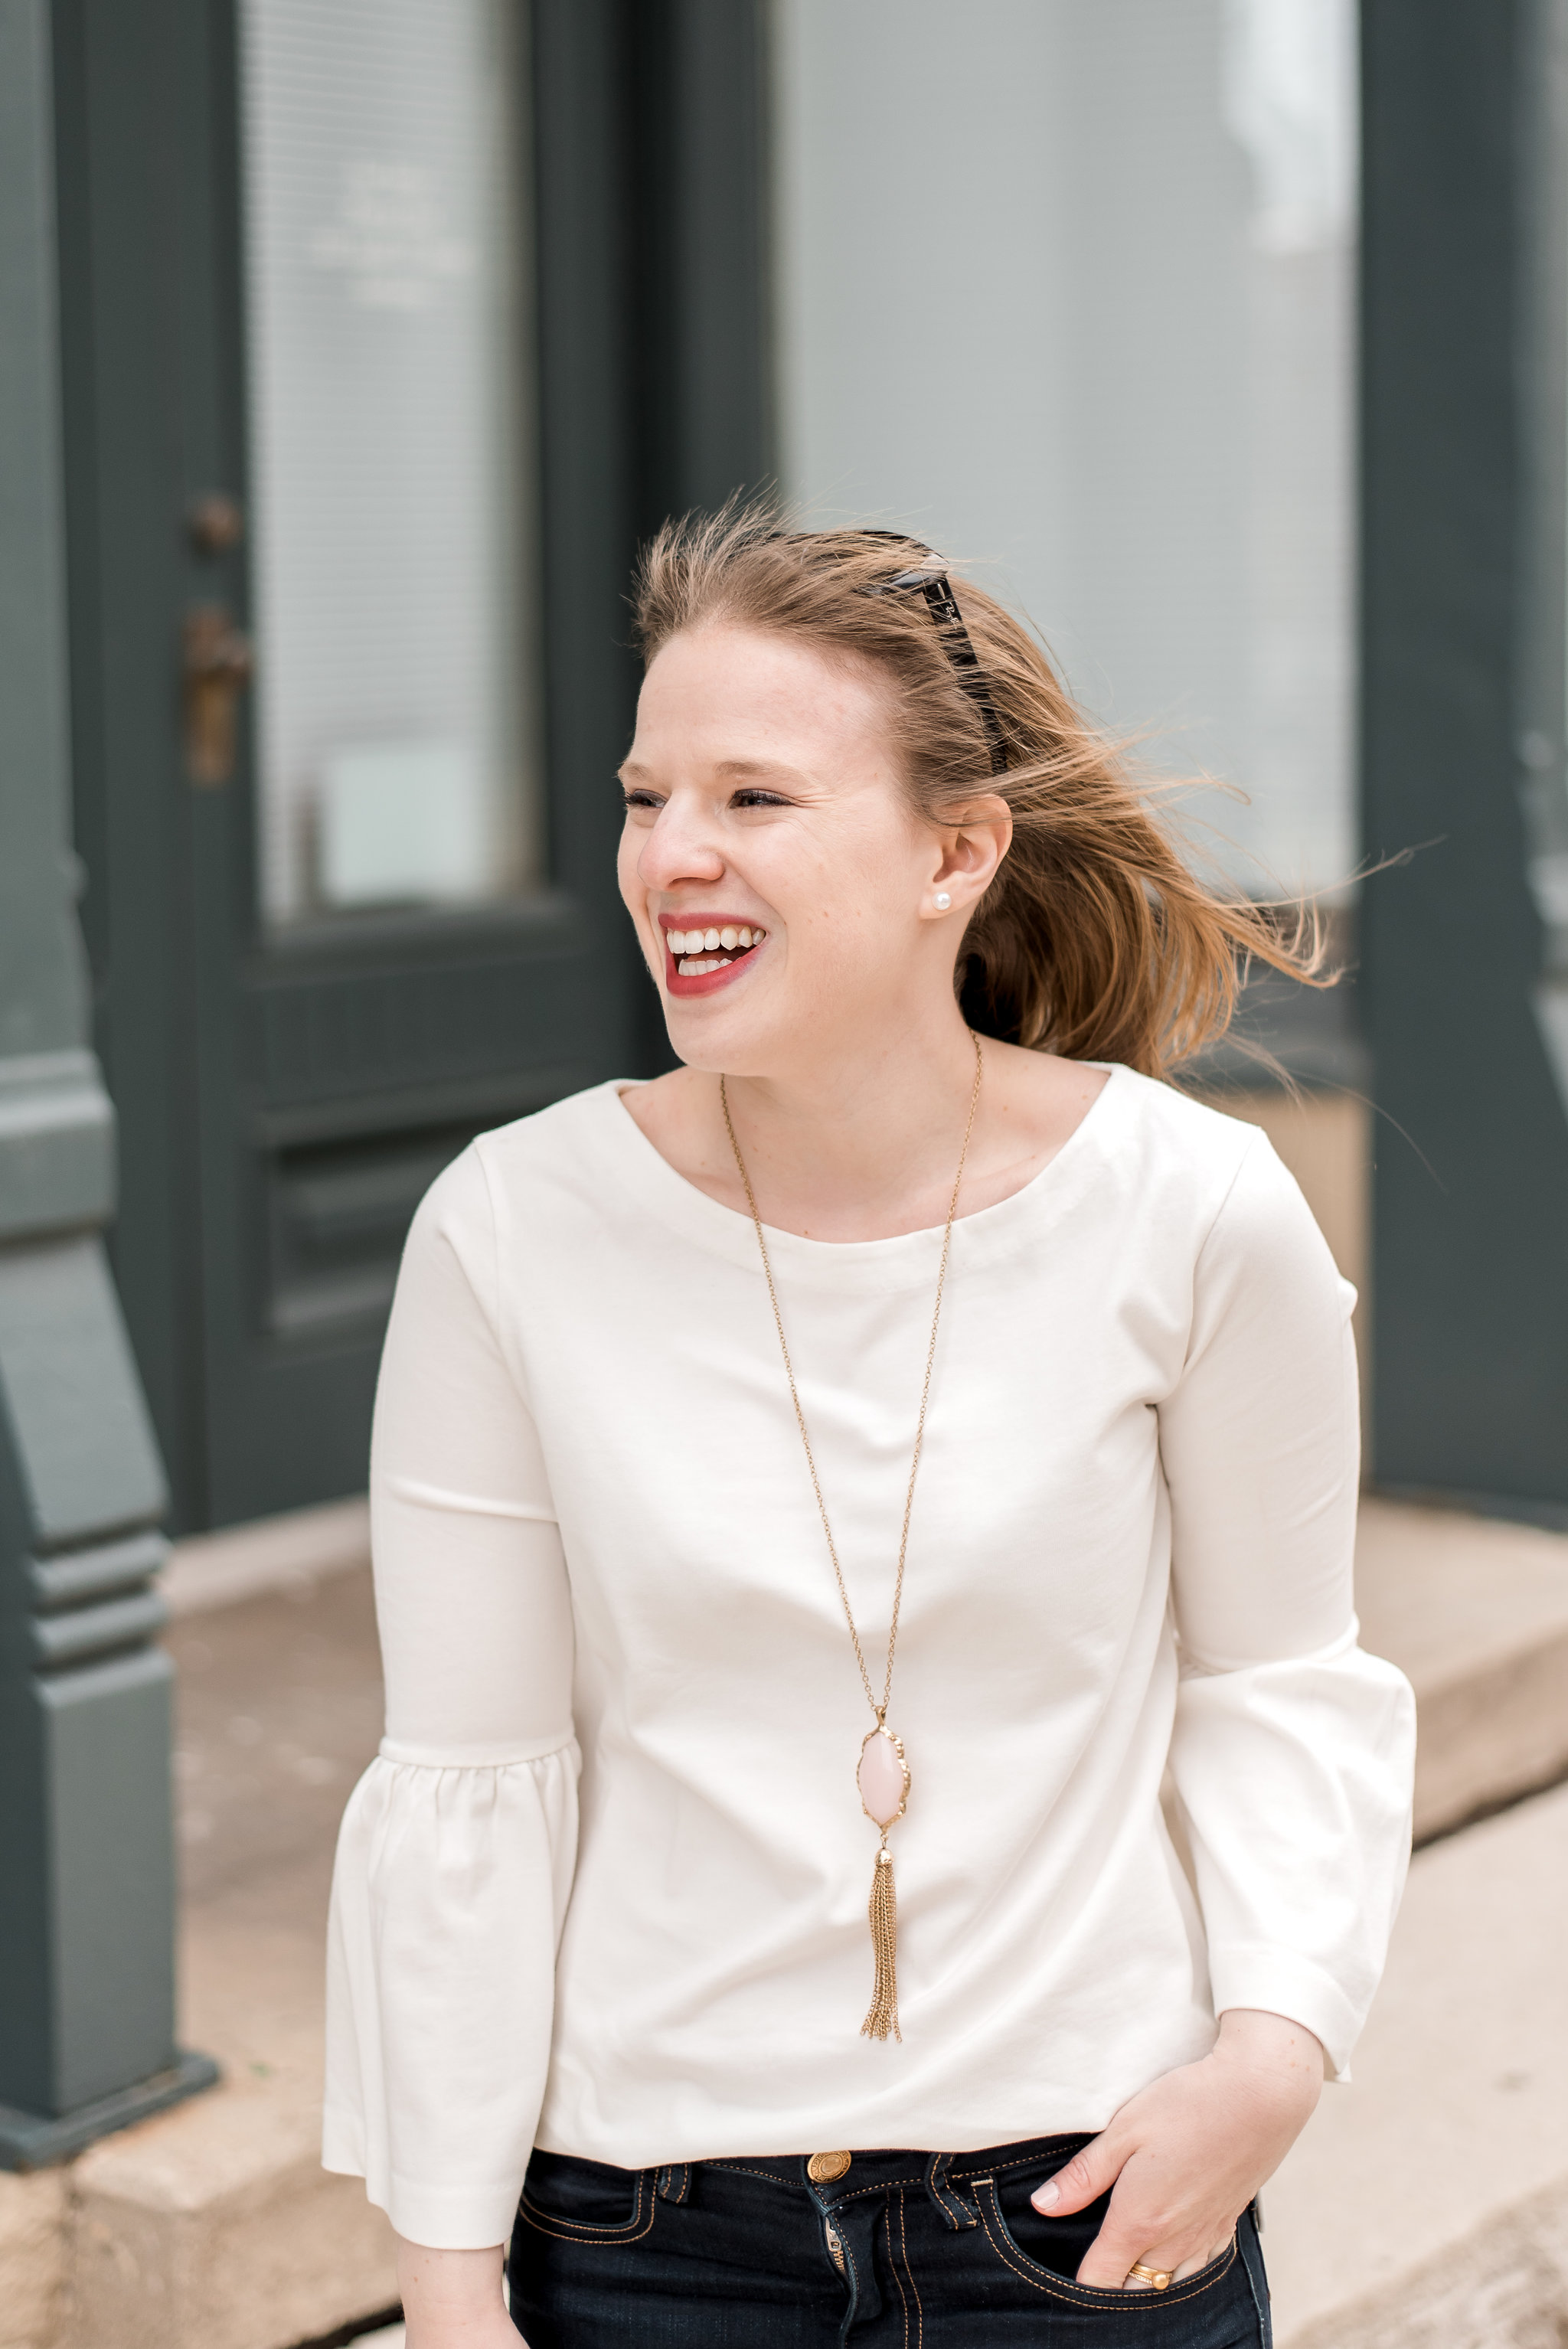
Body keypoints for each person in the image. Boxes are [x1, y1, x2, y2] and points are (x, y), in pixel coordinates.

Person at [323, 511, 1416, 2347]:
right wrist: (447, 2286)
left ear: (955, 852)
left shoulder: (1194, 1212)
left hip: (1081, 2217)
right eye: (644, 792)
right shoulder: (510, 1229)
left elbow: (1282, 1684)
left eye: (754, 799)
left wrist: (1274, 2052)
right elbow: (468, 1787)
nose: (672, 854)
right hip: (638, 2242)